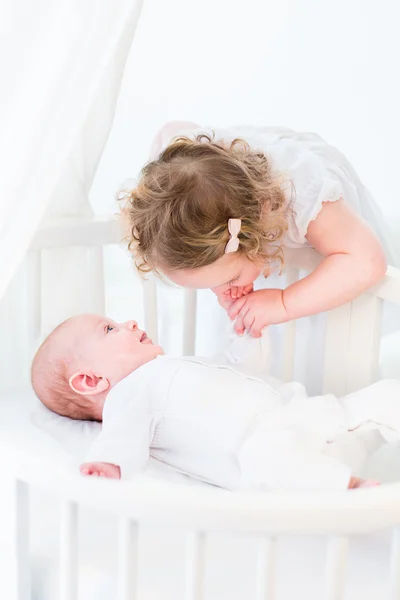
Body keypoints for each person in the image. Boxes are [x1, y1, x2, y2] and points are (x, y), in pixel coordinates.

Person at [32, 313, 400, 491]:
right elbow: (122, 435)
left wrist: (244, 340)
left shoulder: (170, 367)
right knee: (270, 456)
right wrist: (107, 464)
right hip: (276, 448)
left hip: (310, 416)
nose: (129, 322)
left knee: (385, 394)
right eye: (110, 329)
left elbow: (237, 372)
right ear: (90, 381)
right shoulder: (131, 394)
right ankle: (347, 489)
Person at [121, 121, 395, 340]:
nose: (222, 291)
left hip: (305, 168)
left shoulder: (308, 200)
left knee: (337, 298)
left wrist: (284, 303)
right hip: (238, 169)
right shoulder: (183, 155)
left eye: (230, 279)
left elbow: (367, 262)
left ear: (253, 236)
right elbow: (169, 129)